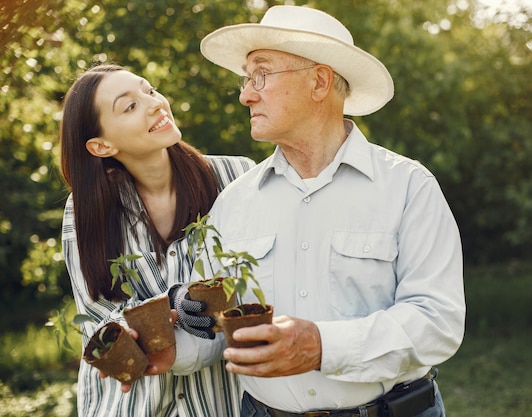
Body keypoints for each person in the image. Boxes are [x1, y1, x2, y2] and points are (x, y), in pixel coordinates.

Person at [179, 5, 466, 417]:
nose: (245, 93)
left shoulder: (408, 186)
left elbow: (437, 322)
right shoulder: (233, 202)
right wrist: (170, 341)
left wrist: (320, 346)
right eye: (245, 78)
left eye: (260, 74)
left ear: (319, 81)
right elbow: (213, 330)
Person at [59, 64, 254, 417]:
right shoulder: (86, 211)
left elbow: (261, 292)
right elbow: (97, 320)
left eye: (149, 90)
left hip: (222, 404)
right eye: (129, 106)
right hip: (131, 406)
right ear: (101, 145)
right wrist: (170, 306)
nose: (154, 103)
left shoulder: (238, 179)